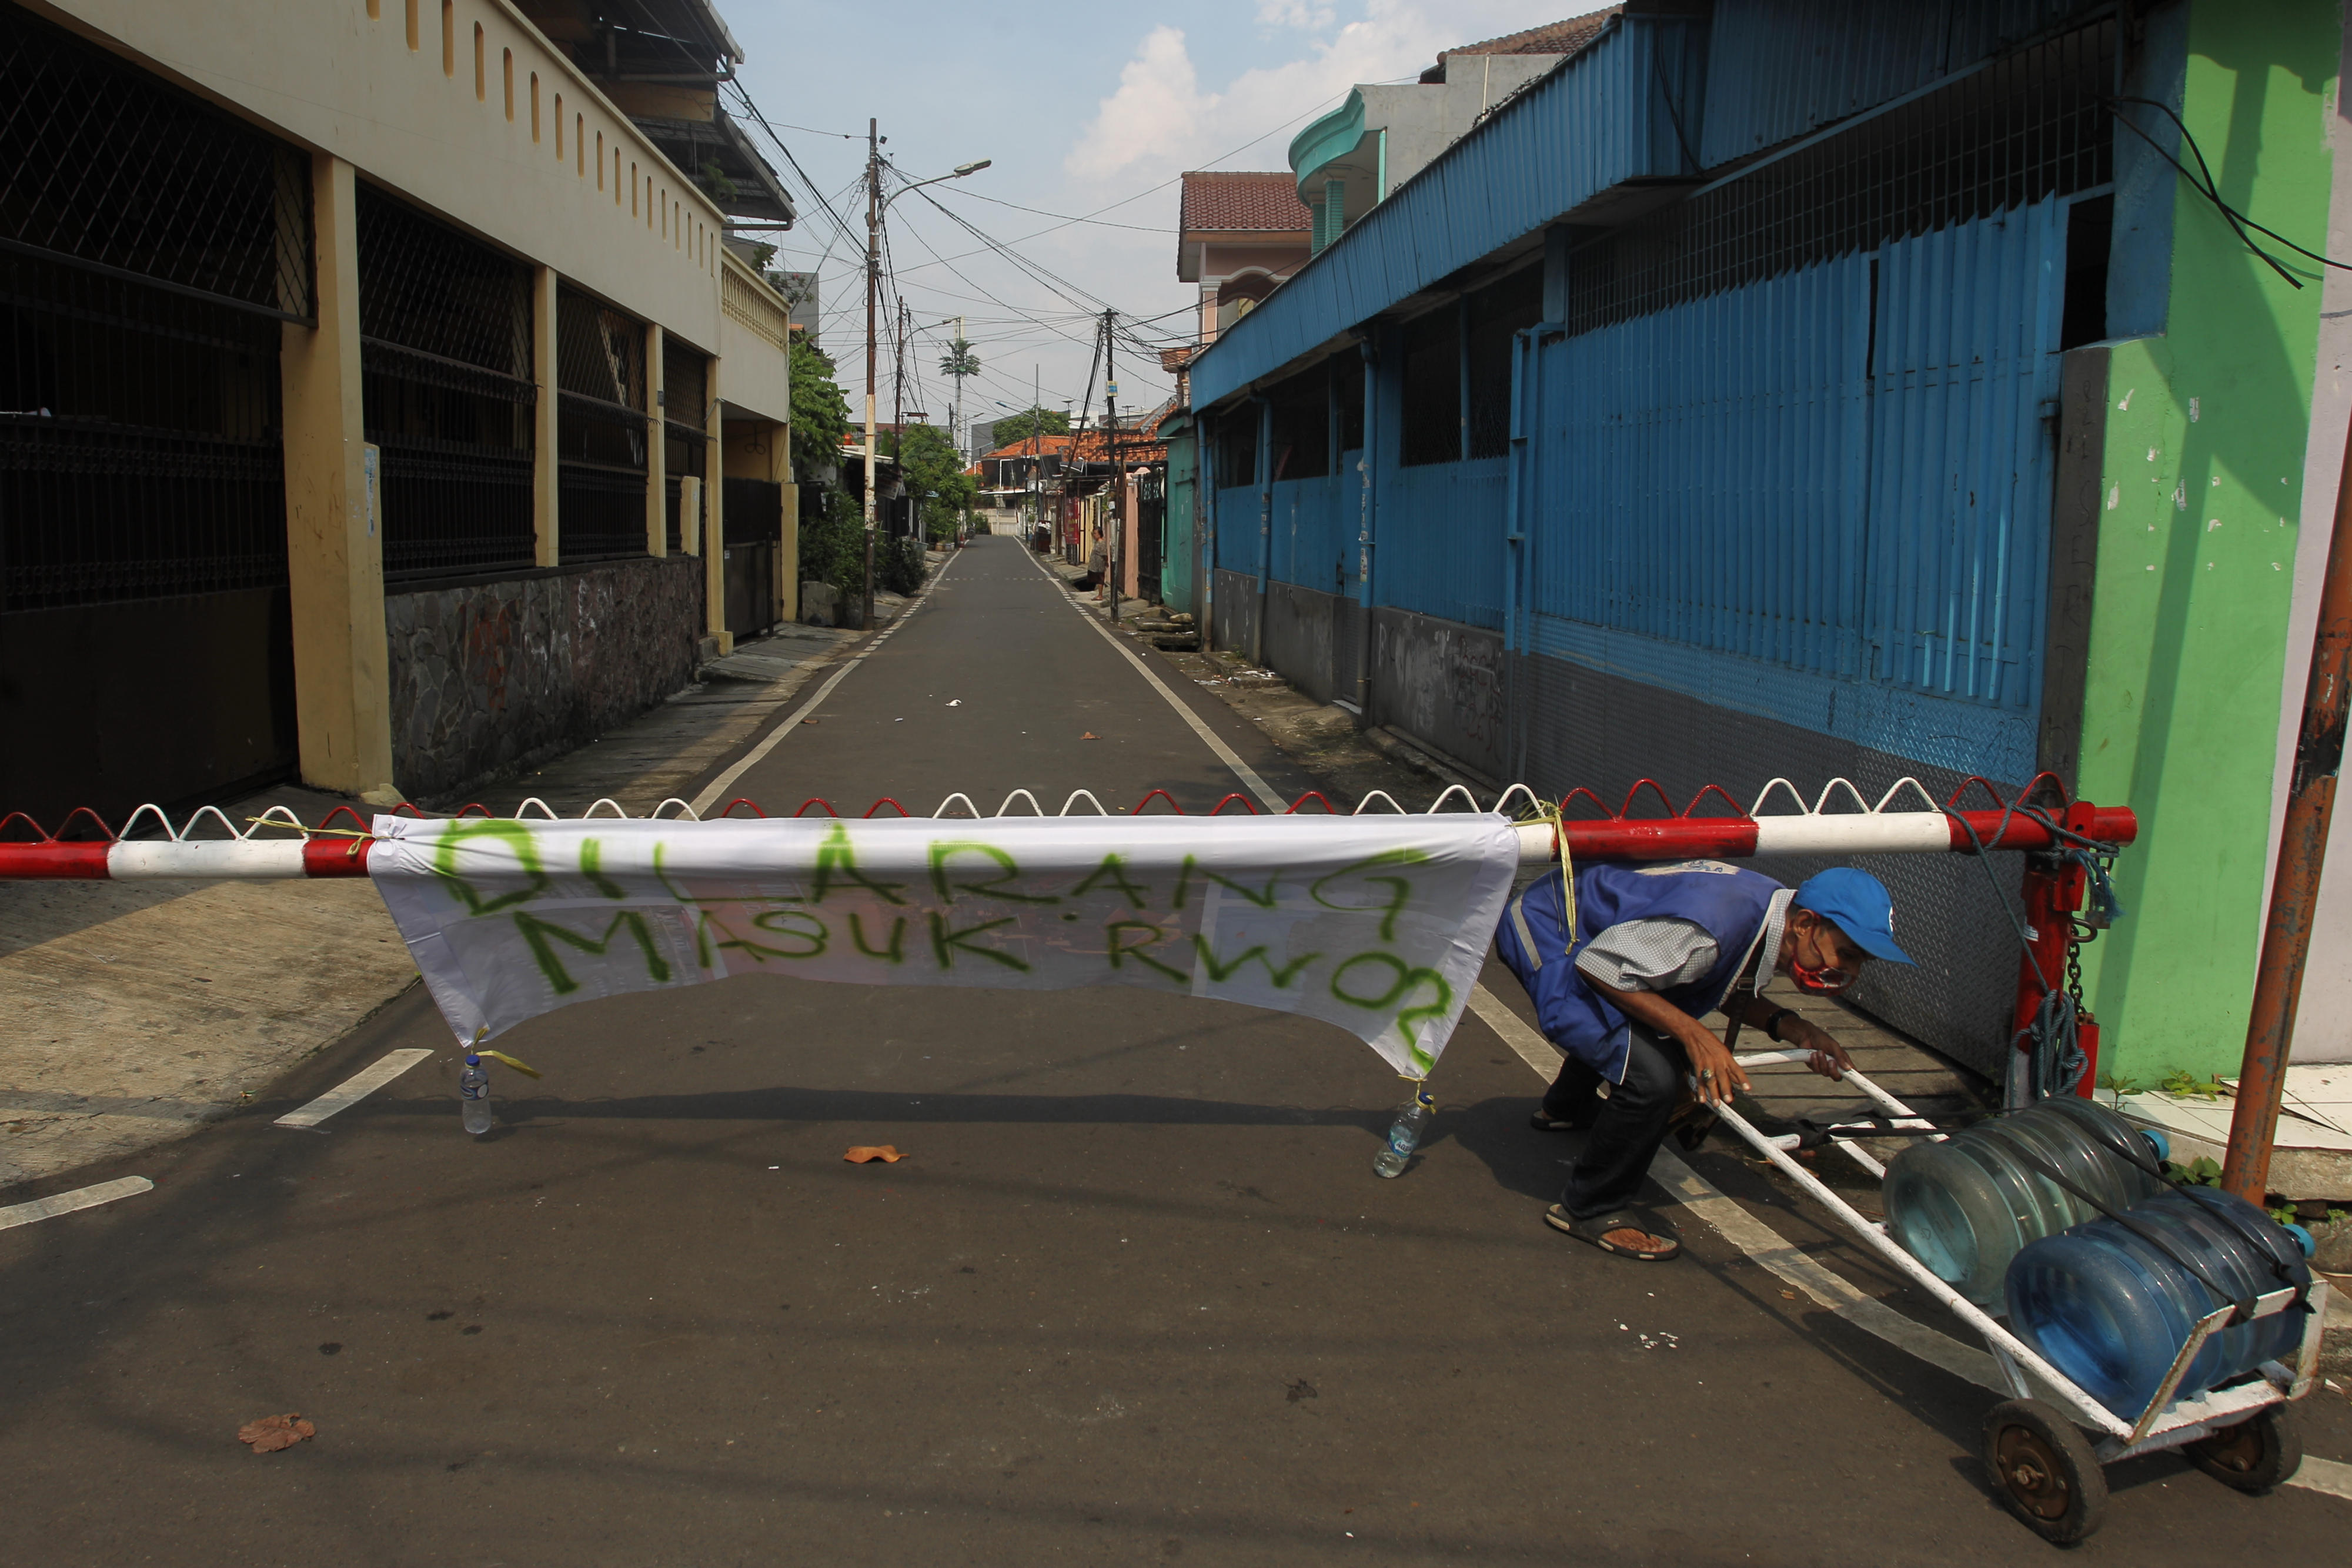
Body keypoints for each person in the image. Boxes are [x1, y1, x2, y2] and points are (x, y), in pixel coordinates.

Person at [1494, 860, 1912, 1262]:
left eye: (1860, 962)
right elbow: (1601, 967)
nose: (1850, 970)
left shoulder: (1764, 914)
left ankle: (1567, 1106)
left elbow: (1720, 979)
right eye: (1847, 953)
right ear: (1805, 924)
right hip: (1549, 928)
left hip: (1587, 930)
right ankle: (1587, 1208)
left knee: (1650, 1024)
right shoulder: (1714, 926)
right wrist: (1696, 1035)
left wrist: (1795, 1028)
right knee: (1654, 1078)